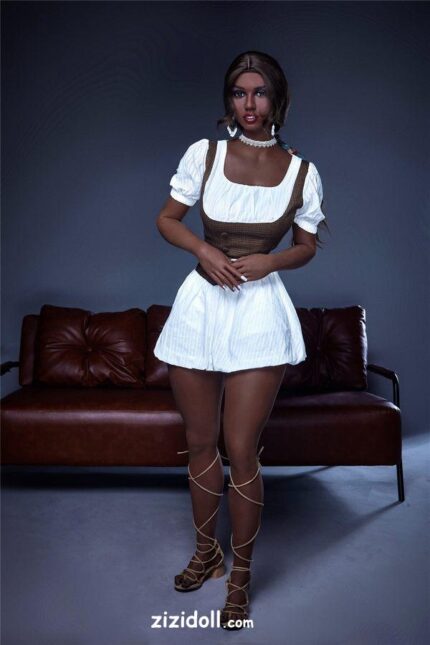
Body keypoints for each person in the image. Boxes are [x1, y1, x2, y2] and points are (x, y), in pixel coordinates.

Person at [154, 50, 328, 631]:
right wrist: (203, 250)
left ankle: (241, 577)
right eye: (238, 92)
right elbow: (167, 218)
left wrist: (269, 261)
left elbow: (306, 246)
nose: (248, 104)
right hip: (200, 307)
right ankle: (206, 554)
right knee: (199, 441)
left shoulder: (303, 172)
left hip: (258, 313)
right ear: (229, 99)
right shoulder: (203, 154)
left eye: (259, 93)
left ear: (277, 100)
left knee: (241, 447)